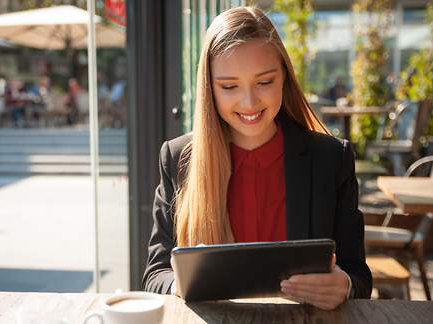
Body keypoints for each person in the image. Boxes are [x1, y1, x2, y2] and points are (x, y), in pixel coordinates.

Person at [142, 7, 371, 310]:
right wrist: (180, 283)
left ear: (284, 79)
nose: (249, 102)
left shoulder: (331, 159)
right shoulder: (178, 158)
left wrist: (344, 285)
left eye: (264, 82)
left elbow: (359, 275)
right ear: (209, 87)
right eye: (230, 86)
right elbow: (155, 275)